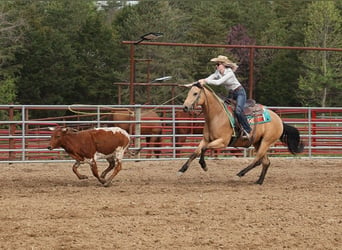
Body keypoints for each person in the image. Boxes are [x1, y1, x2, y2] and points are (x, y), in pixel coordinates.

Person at [198, 55, 252, 139]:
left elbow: (218, 82)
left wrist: (205, 81)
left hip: (240, 92)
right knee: (224, 108)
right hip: (231, 94)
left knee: (238, 110)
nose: (216, 66)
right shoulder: (218, 73)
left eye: (218, 64)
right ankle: (232, 129)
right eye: (216, 64)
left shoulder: (229, 73)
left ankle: (247, 130)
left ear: (223, 65)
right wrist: (198, 82)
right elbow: (209, 78)